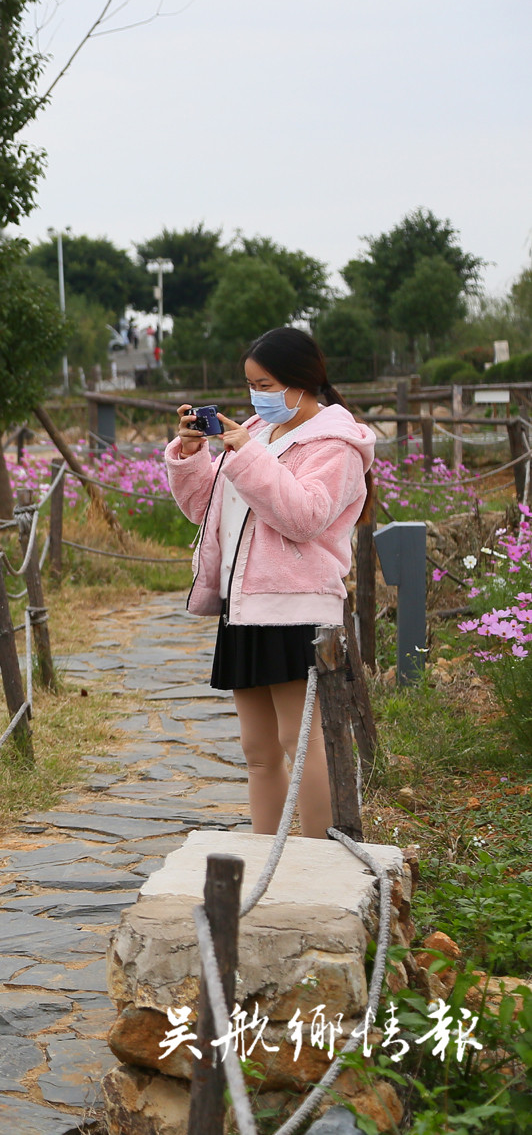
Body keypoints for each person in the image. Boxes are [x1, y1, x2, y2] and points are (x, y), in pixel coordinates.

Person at [165, 328, 375, 840]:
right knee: (257, 750)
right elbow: (205, 509)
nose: (256, 395)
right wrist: (193, 454)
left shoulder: (336, 447)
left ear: (302, 382)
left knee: (300, 743)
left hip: (296, 607)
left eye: (265, 383)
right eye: (250, 384)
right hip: (246, 604)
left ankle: (321, 857)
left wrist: (245, 453)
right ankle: (267, 858)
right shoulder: (258, 433)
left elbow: (303, 517)